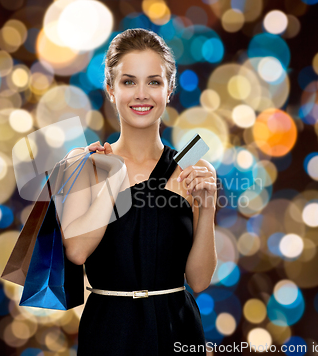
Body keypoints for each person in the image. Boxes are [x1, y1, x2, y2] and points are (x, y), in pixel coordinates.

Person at [60, 28, 218, 355]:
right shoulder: (86, 163)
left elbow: (199, 281)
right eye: (129, 81)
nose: (141, 94)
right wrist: (112, 176)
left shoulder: (193, 169)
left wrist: (209, 208)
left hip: (178, 330)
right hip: (110, 330)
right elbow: (76, 251)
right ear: (110, 90)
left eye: (154, 82)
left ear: (169, 90)